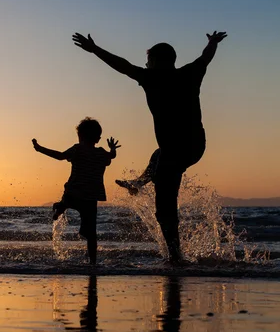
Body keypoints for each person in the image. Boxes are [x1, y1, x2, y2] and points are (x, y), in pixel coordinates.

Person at [72, 30, 227, 263]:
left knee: (164, 207)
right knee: (158, 156)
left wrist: (95, 50)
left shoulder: (150, 77)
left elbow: (122, 65)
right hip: (195, 146)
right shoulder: (191, 73)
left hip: (174, 152)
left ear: (154, 60)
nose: (146, 63)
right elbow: (206, 57)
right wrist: (213, 42)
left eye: (148, 60)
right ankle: (139, 183)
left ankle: (175, 256)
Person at [32, 117, 120, 264]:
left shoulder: (78, 149)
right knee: (91, 234)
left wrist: (40, 148)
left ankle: (60, 208)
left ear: (80, 136)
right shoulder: (101, 153)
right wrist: (112, 148)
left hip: (74, 193)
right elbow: (112, 156)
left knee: (66, 201)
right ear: (98, 138)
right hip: (91, 198)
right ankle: (93, 263)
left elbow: (59, 156)